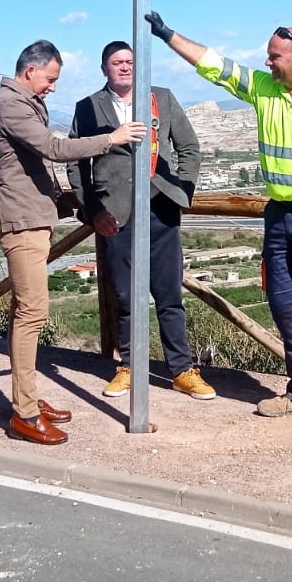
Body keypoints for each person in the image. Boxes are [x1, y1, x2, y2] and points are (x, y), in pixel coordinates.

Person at [145, 13, 292, 440]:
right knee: (287, 309)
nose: (267, 63)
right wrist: (167, 35)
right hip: (279, 217)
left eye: (274, 57)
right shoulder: (265, 90)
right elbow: (215, 65)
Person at [0, 39, 145, 445]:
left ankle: (29, 401)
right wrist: (112, 138)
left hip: (31, 217)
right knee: (31, 314)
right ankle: (24, 412)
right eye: (51, 79)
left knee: (29, 313)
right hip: (20, 220)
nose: (53, 86)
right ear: (30, 71)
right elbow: (53, 149)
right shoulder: (12, 105)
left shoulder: (21, 102)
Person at [66, 40, 214, 401]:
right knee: (124, 295)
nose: (125, 67)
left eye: (130, 61)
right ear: (104, 68)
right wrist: (92, 210)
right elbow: (76, 163)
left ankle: (181, 370)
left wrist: (183, 192)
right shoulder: (87, 107)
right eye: (117, 62)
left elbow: (189, 148)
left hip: (161, 207)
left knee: (168, 293)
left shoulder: (160, 97)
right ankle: (129, 367)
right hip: (114, 214)